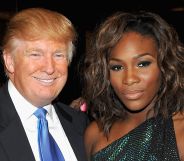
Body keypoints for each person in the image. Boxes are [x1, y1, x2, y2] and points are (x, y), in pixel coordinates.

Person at [82, 11, 184, 161]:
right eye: (117, 67)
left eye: (143, 64)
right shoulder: (95, 134)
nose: (129, 79)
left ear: (165, 66)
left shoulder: (180, 131)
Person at [0, 8, 89, 161]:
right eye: (36, 54)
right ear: (10, 61)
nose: (49, 68)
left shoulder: (81, 123)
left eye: (58, 55)